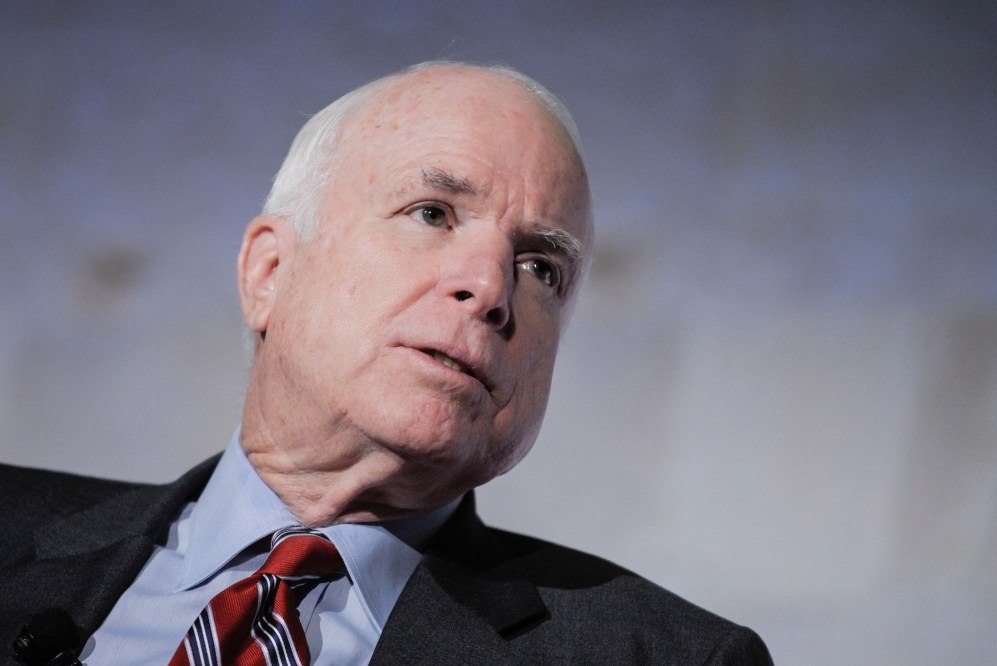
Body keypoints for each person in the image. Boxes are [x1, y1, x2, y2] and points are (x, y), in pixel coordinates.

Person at [0, 62, 772, 664]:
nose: (492, 287)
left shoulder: (659, 656)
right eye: (431, 213)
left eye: (542, 268)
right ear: (269, 273)